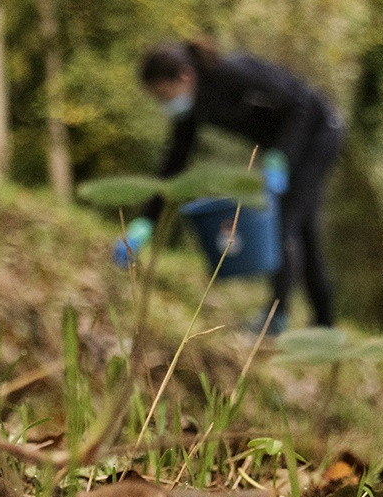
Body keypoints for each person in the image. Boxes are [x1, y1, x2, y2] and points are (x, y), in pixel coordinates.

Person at [117, 38, 346, 334]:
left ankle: (277, 315)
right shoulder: (194, 108)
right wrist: (146, 221)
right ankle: (325, 322)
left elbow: (300, 105)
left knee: (284, 222)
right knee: (303, 228)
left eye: (164, 95)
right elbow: (174, 164)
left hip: (319, 132)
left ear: (184, 76)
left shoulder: (235, 73)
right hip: (291, 145)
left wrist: (281, 156)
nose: (164, 105)